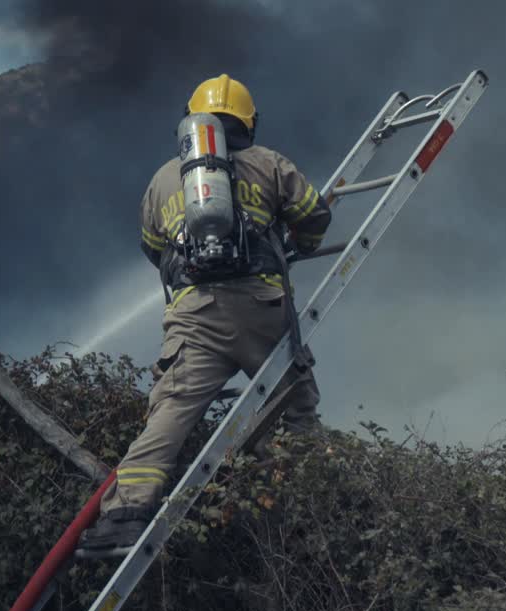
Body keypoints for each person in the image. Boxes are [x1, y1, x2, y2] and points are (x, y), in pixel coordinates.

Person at [80, 74, 331, 550]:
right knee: (295, 405)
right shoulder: (269, 163)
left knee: (170, 412)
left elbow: (154, 249)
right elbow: (315, 216)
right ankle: (303, 510)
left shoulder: (163, 180)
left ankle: (125, 514)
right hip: (263, 311)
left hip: (193, 319)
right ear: (248, 122)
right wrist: (299, 243)